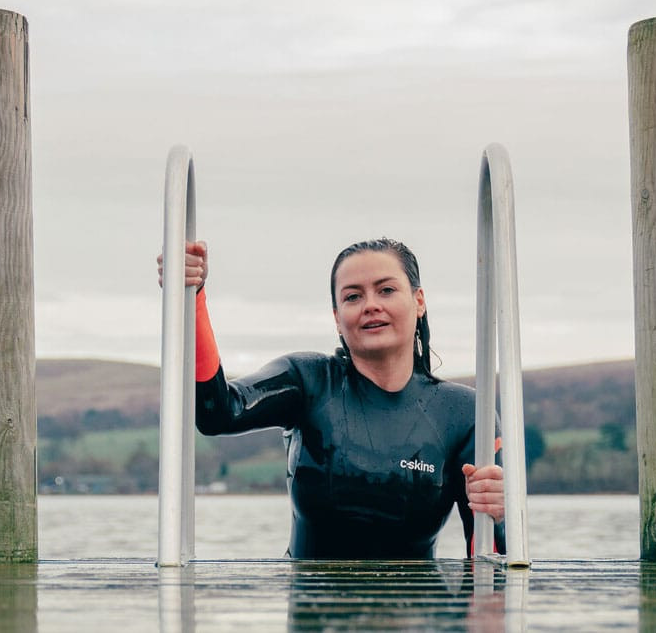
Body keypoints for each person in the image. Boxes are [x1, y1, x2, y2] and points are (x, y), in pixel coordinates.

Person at [158, 238, 505, 559]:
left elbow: (488, 565)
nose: (371, 305)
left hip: (416, 619)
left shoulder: (465, 413)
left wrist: (501, 514)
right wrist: (193, 296)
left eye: (386, 290)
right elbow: (218, 413)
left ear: (418, 301)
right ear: (338, 319)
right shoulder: (308, 381)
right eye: (353, 297)